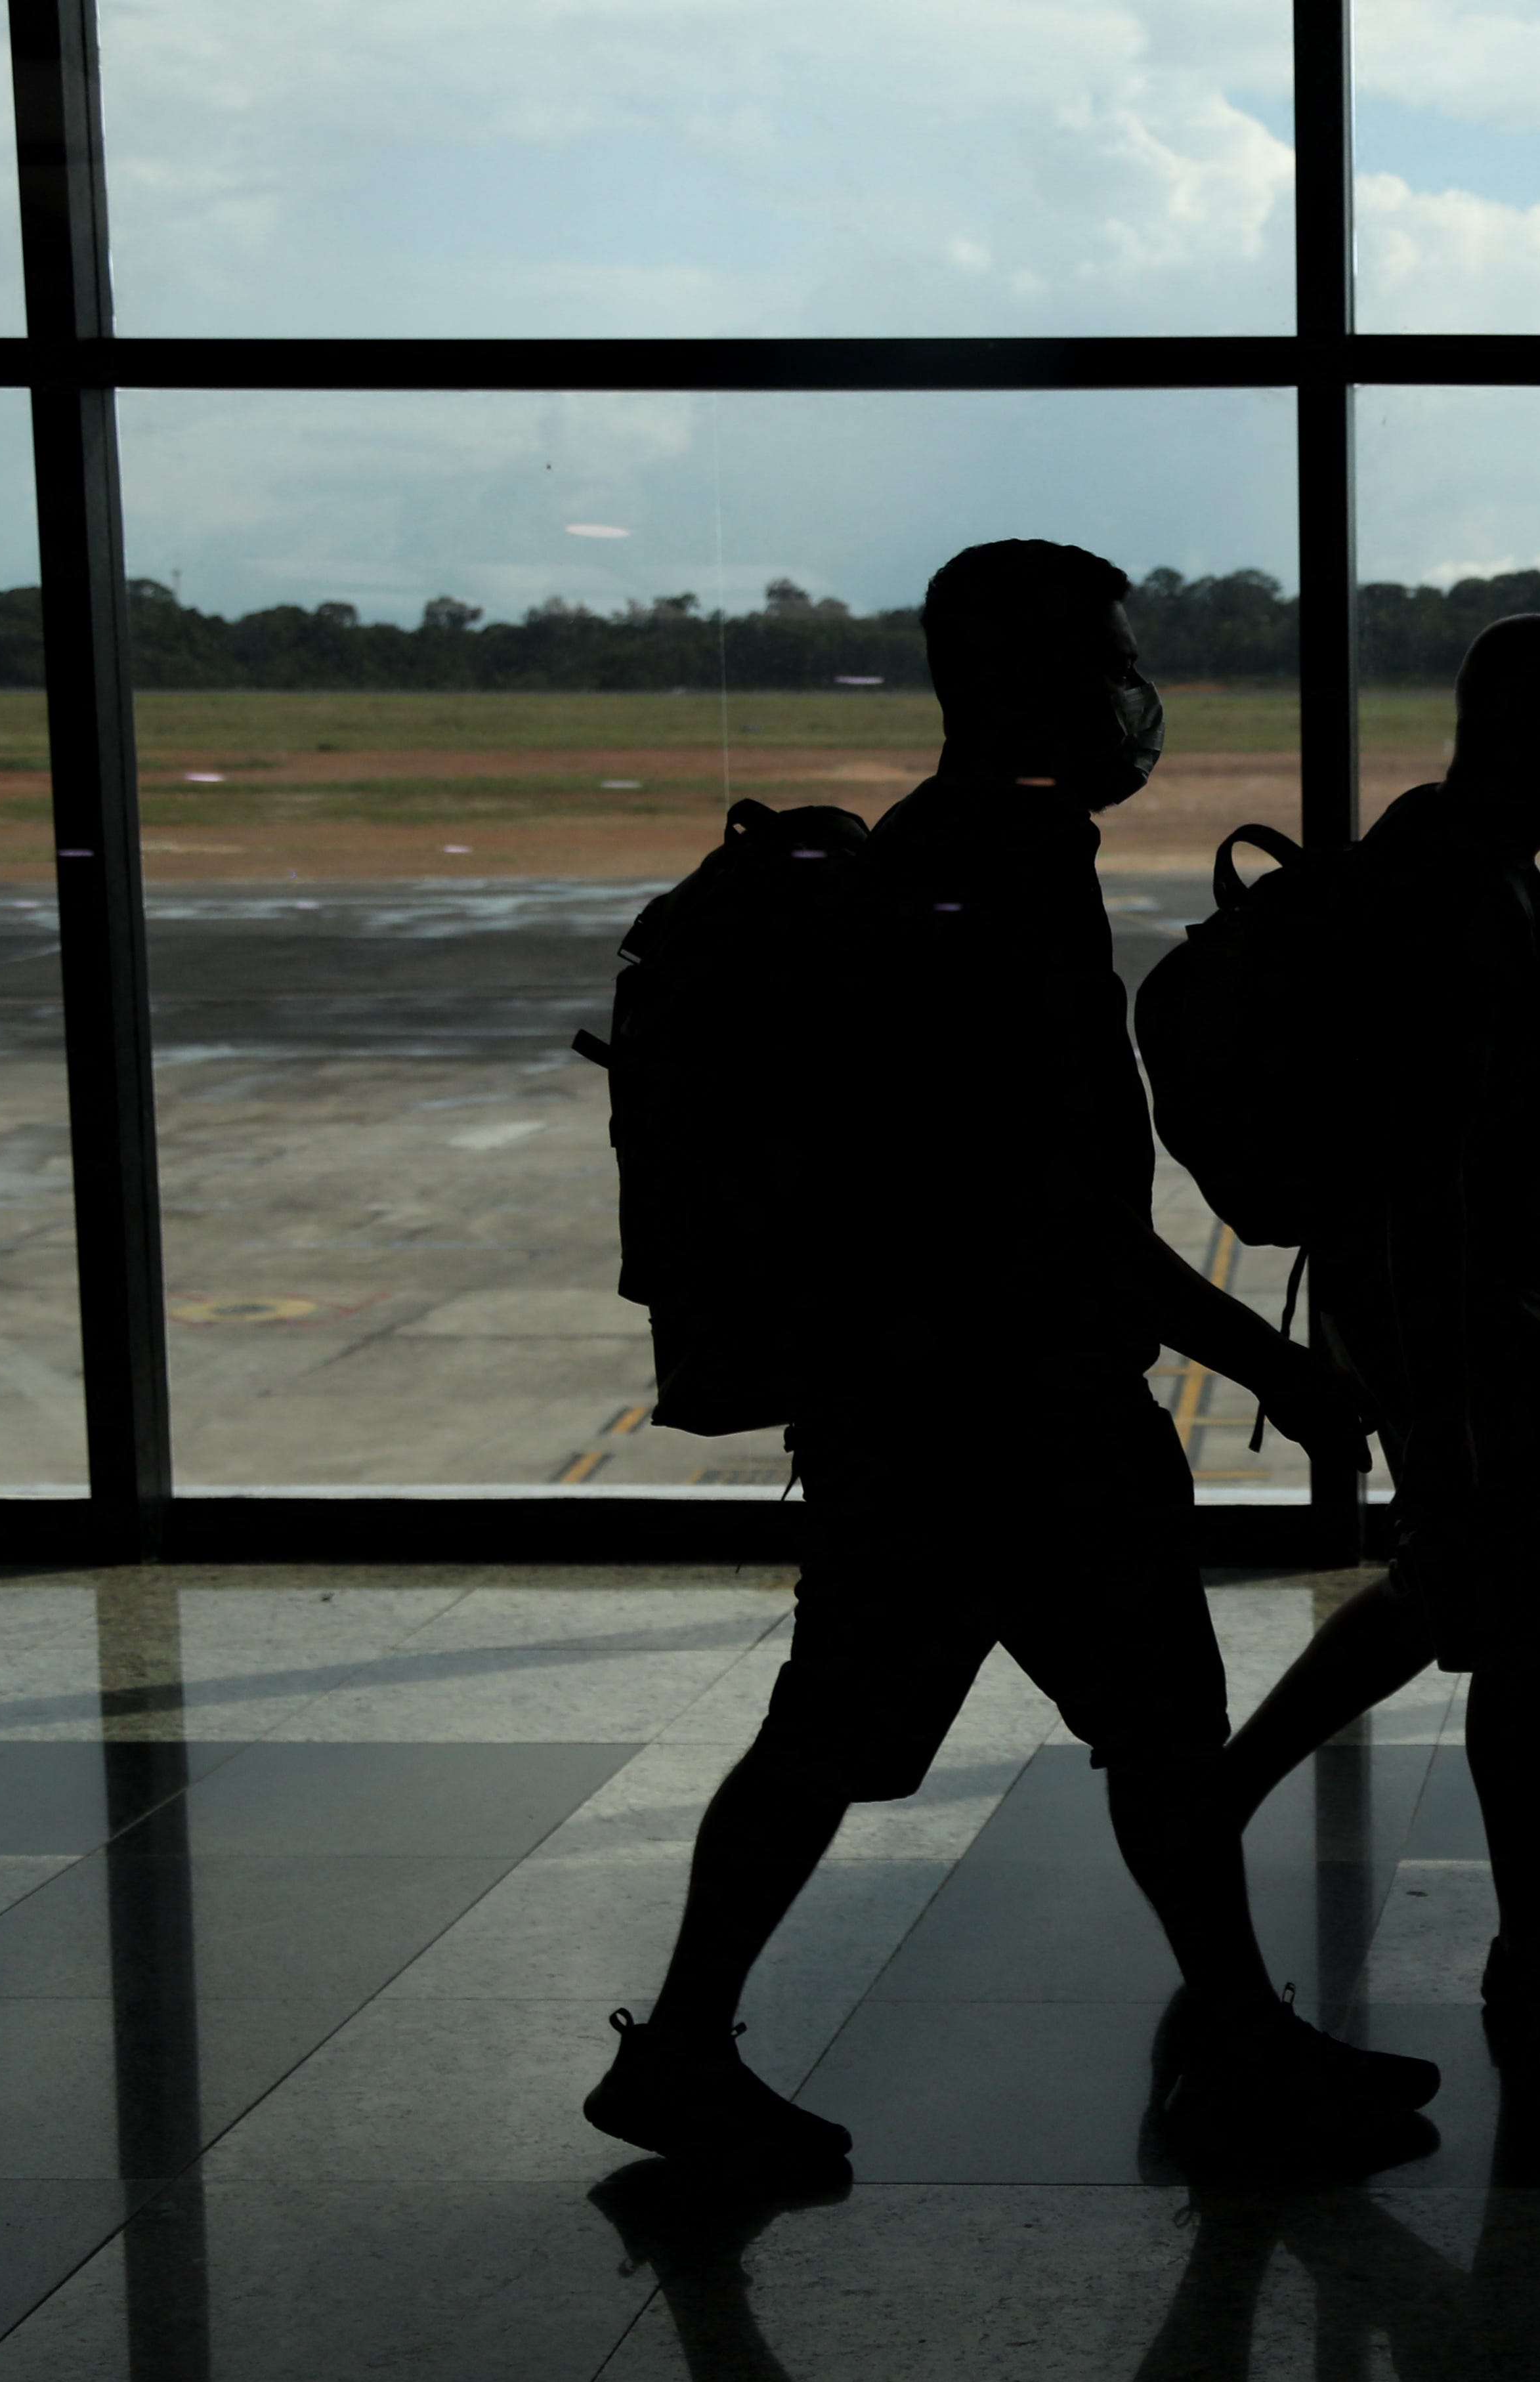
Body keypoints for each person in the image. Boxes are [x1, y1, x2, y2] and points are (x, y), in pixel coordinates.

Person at [583, 538, 1430, 2176]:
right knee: (1037, 1725)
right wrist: (1274, 1361)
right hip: (998, 1406)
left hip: (938, 1395)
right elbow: (1050, 1206)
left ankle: (1228, 2036)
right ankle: (697, 2046)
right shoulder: (993, 878)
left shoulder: (975, 852)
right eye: (1108, 659)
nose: (1134, 694)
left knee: (1019, 1725)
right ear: (1023, 684)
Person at [1195, 612, 1540, 2053]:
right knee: (1521, 1613)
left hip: (1423, 1305)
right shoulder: (1467, 896)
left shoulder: (1440, 858)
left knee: (1443, 1583)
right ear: (1533, 735)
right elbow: (1441, 1162)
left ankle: (1215, 1805)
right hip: (1461, 1317)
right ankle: (1533, 1946)